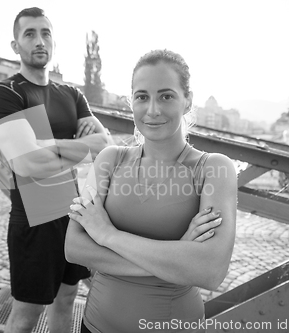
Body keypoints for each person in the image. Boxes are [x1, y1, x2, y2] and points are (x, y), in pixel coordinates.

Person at [66, 49, 237, 333]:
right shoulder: (110, 159)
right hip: (94, 325)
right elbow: (74, 248)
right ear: (131, 101)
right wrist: (179, 256)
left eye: (166, 96)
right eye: (142, 96)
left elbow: (209, 271)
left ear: (187, 101)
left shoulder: (214, 169)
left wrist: (108, 235)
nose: (153, 110)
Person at [0, 7, 111, 333]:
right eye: (29, 34)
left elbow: (105, 145)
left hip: (72, 213)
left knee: (67, 299)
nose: (39, 41)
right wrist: (77, 149)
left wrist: (44, 144)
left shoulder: (71, 94)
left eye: (45, 33)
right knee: (26, 316)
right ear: (15, 46)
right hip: (33, 218)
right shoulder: (6, 93)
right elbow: (28, 163)